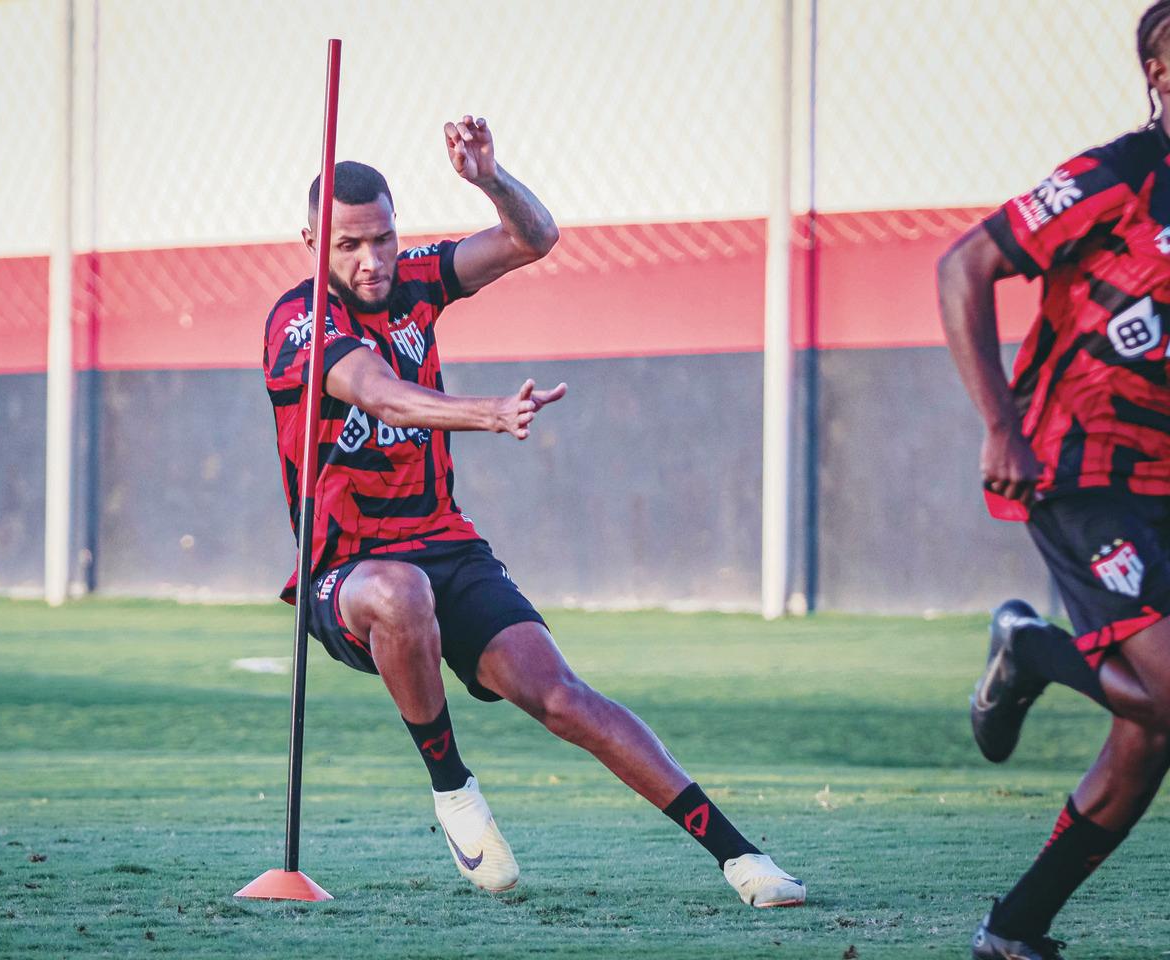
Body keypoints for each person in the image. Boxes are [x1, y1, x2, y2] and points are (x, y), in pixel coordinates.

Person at [261, 116, 804, 905]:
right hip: (344, 572)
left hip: (444, 543)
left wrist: (489, 178)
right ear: (310, 242)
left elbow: (534, 239)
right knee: (399, 592)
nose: (371, 259)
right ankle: (454, 792)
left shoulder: (416, 277)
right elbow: (379, 392)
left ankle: (741, 858)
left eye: (381, 238)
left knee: (563, 697)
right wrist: (487, 413)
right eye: (347, 245)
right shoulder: (298, 320)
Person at [938, 5, 1170, 957]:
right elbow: (964, 266)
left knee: (1148, 731)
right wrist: (1000, 422)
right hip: (1079, 468)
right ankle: (1030, 652)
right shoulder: (1117, 175)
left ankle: (1015, 930)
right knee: (1167, 693)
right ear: (1158, 76)